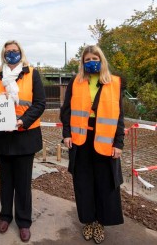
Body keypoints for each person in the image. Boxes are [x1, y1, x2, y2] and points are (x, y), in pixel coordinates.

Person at [60, 45, 125, 244]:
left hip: (105, 141)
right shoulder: (76, 81)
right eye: (86, 60)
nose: (90, 62)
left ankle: (100, 223)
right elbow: (67, 110)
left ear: (101, 59)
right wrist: (66, 134)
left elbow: (119, 115)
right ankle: (88, 221)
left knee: (105, 184)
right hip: (81, 140)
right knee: (83, 183)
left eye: (94, 58)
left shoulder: (114, 82)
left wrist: (119, 143)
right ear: (82, 63)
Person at [0, 40, 46, 243]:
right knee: (6, 181)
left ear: (21, 53)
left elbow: (39, 104)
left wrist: (21, 122)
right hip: (2, 137)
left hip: (25, 135)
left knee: (23, 182)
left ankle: (24, 221)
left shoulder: (31, 73)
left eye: (15, 51)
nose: (12, 54)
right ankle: (5, 216)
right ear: (3, 54)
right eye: (8, 51)